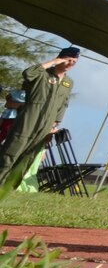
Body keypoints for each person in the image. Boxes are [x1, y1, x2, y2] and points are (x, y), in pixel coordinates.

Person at [0, 46, 80, 199]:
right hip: (28, 119)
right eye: (69, 60)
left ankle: (9, 190)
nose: (71, 63)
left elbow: (64, 103)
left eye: (74, 62)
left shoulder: (68, 82)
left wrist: (56, 123)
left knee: (28, 158)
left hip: (46, 125)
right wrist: (52, 62)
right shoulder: (42, 74)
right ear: (60, 58)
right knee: (10, 154)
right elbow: (27, 73)